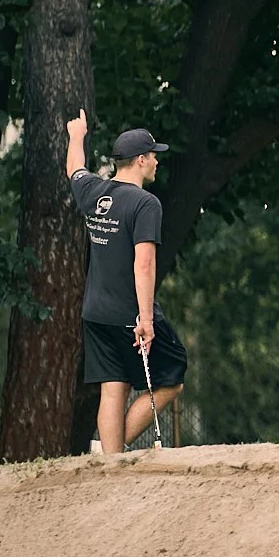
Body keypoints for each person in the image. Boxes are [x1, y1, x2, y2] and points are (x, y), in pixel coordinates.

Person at [66, 112, 186, 453]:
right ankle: (114, 448)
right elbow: (144, 264)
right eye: (154, 155)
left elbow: (74, 169)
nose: (157, 161)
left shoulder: (93, 191)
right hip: (128, 313)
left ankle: (110, 459)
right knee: (172, 377)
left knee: (112, 387)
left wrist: (77, 136)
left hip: (95, 312)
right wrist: (146, 320)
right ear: (141, 160)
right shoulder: (146, 203)